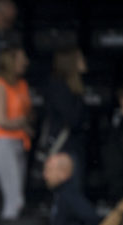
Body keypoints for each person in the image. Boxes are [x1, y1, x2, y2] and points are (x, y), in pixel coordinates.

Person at [0, 44, 31, 219]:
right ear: (11, 61)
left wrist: (24, 123)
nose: (26, 62)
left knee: (17, 197)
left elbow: (27, 113)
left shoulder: (22, 84)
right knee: (15, 199)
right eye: (22, 58)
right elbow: (1, 120)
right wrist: (21, 122)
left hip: (19, 142)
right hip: (2, 144)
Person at [44, 47, 88, 187]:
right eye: (80, 58)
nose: (84, 62)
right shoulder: (59, 85)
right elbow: (72, 119)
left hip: (74, 145)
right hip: (64, 147)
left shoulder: (73, 85)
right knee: (70, 191)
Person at [43, 153, 99, 225]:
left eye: (49, 170)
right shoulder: (59, 194)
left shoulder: (70, 195)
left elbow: (92, 218)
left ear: (63, 173)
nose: (45, 175)